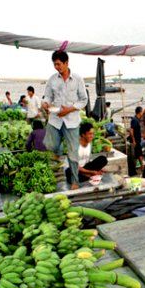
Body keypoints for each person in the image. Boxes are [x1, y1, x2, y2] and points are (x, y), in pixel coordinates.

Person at [42, 50, 88, 190]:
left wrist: (69, 109)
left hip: (72, 121)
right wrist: (45, 103)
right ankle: (59, 151)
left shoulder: (78, 79)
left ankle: (75, 181)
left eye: (59, 64)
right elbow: (48, 96)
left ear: (66, 63)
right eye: (54, 65)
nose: (57, 67)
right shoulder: (52, 79)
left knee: (73, 153)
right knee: (51, 146)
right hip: (55, 119)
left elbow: (84, 100)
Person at [130, 106, 145, 171]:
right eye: (142, 112)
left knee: (137, 154)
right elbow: (131, 130)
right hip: (136, 140)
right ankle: (142, 167)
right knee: (139, 154)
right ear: (140, 112)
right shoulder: (134, 120)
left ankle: (136, 167)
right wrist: (133, 140)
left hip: (138, 139)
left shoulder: (137, 119)